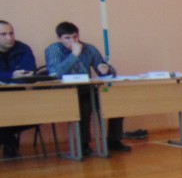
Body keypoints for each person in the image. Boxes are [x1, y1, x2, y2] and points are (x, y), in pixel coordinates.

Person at [44, 21, 131, 155]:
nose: (73, 41)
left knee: (115, 102)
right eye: (67, 38)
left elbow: (109, 72)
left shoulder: (89, 49)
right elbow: (55, 75)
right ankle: (84, 143)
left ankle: (114, 140)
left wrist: (106, 70)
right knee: (85, 106)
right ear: (59, 39)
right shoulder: (53, 50)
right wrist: (74, 55)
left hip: (87, 90)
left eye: (75, 37)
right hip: (64, 93)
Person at [0, 20, 42, 158]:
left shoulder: (23, 49)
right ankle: (9, 142)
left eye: (11, 33)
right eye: (3, 34)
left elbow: (30, 71)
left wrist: (25, 75)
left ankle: (7, 140)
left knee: (42, 112)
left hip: (20, 96)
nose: (9, 38)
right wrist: (11, 75)